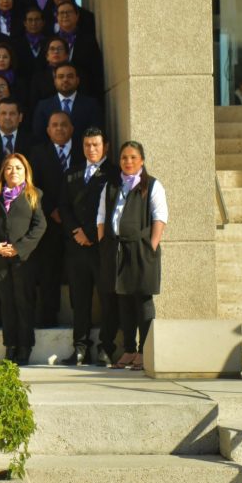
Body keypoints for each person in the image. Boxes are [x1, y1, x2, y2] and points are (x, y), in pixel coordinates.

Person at [97, 141, 168, 371]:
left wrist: (151, 246)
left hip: (142, 249)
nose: (128, 162)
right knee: (124, 299)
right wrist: (104, 241)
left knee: (143, 300)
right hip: (116, 249)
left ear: (142, 160)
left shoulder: (152, 185)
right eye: (124, 158)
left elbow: (160, 216)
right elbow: (101, 215)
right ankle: (129, 349)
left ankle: (144, 352)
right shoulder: (112, 185)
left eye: (133, 157)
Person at [0, 153, 47, 366]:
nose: (13, 171)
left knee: (23, 302)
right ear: (2, 172)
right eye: (9, 168)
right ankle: (11, 345)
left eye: (18, 168)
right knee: (6, 303)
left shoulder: (33, 195)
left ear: (26, 172)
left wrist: (19, 248)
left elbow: (40, 225)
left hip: (22, 259)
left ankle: (25, 346)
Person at [59, 127, 119, 366]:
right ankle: (80, 348)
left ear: (106, 146)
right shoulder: (72, 172)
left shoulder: (114, 174)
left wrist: (93, 235)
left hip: (102, 247)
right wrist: (76, 232)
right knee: (79, 299)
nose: (91, 149)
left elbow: (115, 208)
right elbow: (63, 207)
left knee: (107, 297)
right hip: (76, 247)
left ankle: (106, 347)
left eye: (96, 145)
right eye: (87, 145)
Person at [29, 110, 84, 327]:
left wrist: (71, 213)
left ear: (71, 129)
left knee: (77, 274)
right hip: (49, 222)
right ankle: (48, 317)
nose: (59, 128)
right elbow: (33, 185)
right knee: (48, 271)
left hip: (77, 223)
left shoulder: (83, 152)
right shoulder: (37, 153)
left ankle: (78, 319)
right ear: (48, 130)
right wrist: (51, 209)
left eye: (64, 125)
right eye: (55, 125)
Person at [31, 62, 103, 144]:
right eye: (61, 77)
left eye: (70, 76)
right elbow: (39, 138)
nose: (65, 80)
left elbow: (95, 135)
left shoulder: (91, 105)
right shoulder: (43, 107)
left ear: (77, 80)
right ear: (54, 81)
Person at [0, 98, 31, 170]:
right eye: (3, 113)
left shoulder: (33, 143)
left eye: (12, 114)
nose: (7, 117)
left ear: (20, 117)